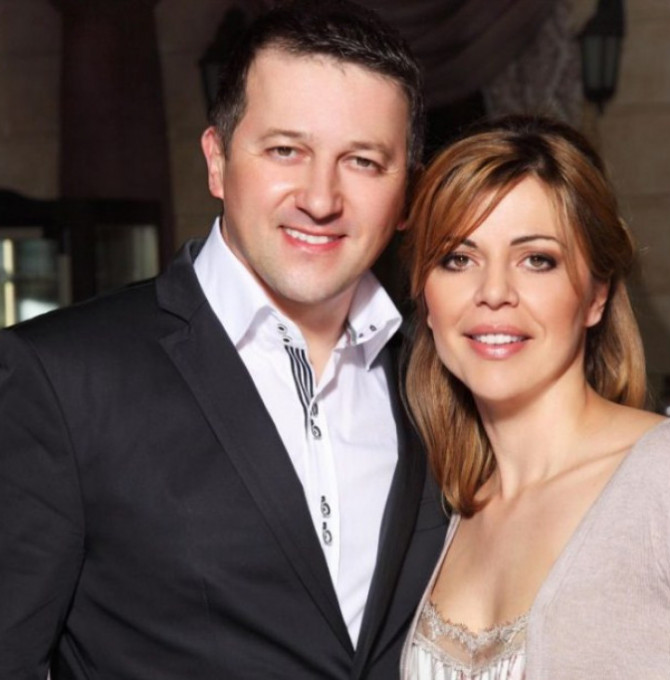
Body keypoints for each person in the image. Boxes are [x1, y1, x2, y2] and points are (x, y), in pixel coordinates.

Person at [0, 1, 448, 677]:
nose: (320, 199)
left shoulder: (442, 376)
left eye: (362, 161)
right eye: (285, 151)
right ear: (217, 161)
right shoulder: (61, 378)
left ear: (407, 193)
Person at [399, 115, 670, 678]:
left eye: (537, 260)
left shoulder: (666, 478)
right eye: (458, 259)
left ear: (596, 296)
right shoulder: (448, 509)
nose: (493, 292)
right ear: (427, 299)